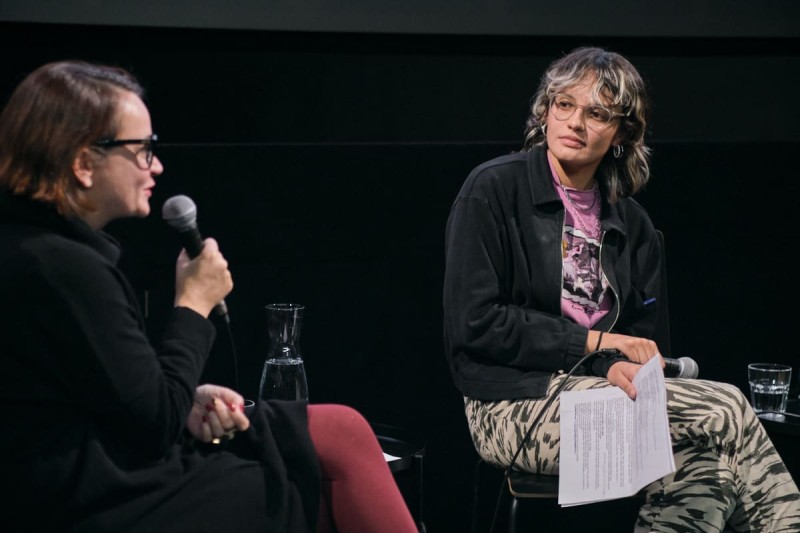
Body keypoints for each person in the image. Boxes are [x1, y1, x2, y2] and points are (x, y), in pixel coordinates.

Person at [0, 60, 418, 533]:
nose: (156, 166)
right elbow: (154, 426)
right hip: (90, 492)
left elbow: (105, 393)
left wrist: (187, 399)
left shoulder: (38, 249)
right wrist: (194, 304)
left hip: (95, 463)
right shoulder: (63, 267)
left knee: (341, 431)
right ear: (82, 163)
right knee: (299, 486)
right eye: (142, 150)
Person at [443, 46, 800, 531]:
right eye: (564, 104)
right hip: (511, 406)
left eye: (596, 114)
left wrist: (612, 365)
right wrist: (596, 343)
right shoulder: (493, 190)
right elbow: (475, 325)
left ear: (621, 134)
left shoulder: (634, 225)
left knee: (707, 467)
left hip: (607, 399)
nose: (575, 122)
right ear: (545, 112)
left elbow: (642, 346)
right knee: (726, 405)